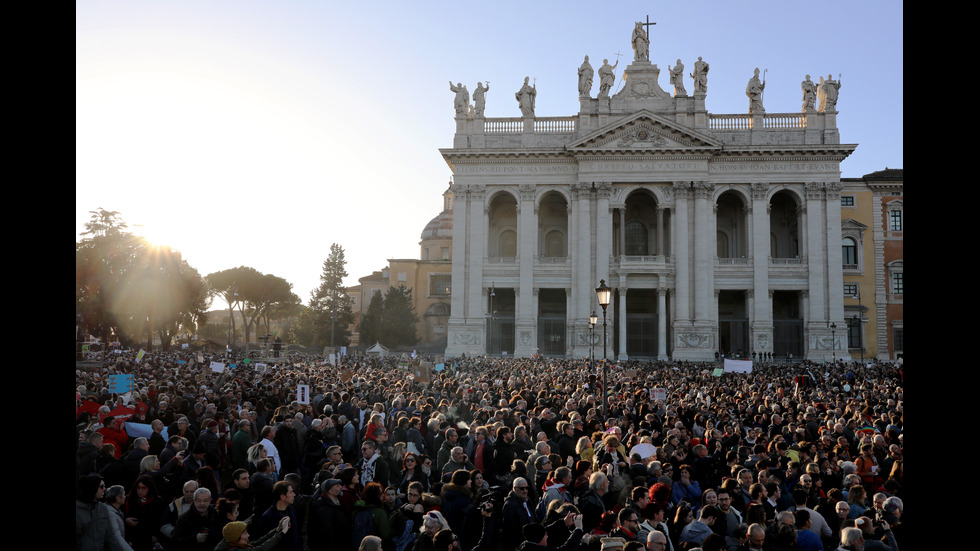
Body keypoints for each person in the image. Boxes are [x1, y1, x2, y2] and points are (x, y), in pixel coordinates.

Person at [215, 517, 289, 551]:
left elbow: (256, 543)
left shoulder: (231, 543)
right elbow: (261, 549)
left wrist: (277, 530)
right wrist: (282, 533)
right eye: (245, 533)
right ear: (236, 537)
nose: (248, 535)